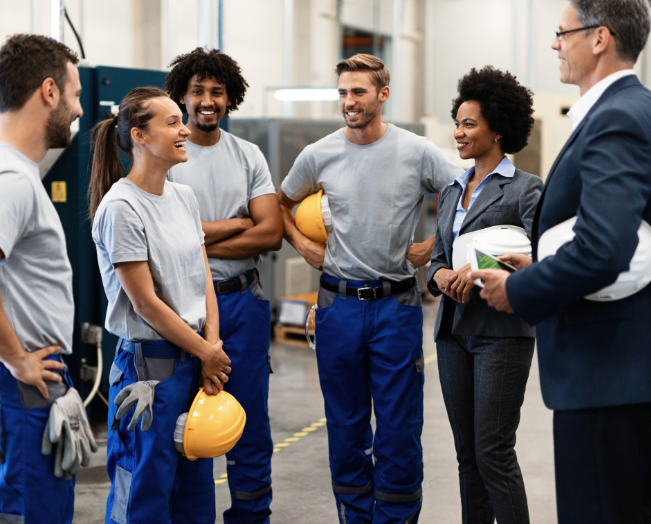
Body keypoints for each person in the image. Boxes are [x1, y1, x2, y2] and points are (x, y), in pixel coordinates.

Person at [472, 0, 651, 523]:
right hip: (620, 365)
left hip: (607, 366)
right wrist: (547, 264)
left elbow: (604, 248)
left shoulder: (617, 119)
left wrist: (522, 289)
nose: (556, 43)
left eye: (563, 32)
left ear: (599, 37)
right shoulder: (640, 107)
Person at [277, 54, 462, 524]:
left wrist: (432, 247)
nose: (349, 102)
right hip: (337, 306)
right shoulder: (319, 154)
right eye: (342, 92)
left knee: (399, 430)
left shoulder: (416, 151)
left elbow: (463, 194)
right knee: (345, 427)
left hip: (395, 306)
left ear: (382, 94)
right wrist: (301, 244)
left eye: (358, 92)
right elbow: (280, 202)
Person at [0, 34, 95, 524]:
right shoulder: (7, 176)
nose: (78, 109)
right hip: (13, 383)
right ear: (48, 91)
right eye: (74, 95)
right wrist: (19, 360)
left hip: (8, 380)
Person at [89, 87, 231, 524]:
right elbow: (146, 303)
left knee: (194, 493)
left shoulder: (183, 197)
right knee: (145, 494)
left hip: (194, 363)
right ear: (140, 136)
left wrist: (211, 345)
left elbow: (203, 276)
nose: (185, 129)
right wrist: (206, 351)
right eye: (172, 122)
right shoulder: (121, 207)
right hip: (149, 370)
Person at [165, 47, 282, 524]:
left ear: (230, 98)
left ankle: (252, 517)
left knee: (249, 423)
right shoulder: (165, 152)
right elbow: (160, 239)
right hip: (180, 312)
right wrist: (236, 225)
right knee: (180, 426)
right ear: (182, 97)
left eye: (217, 91)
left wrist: (194, 238)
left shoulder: (247, 155)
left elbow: (271, 232)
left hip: (241, 307)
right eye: (198, 91)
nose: (207, 100)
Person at [428, 66, 541, 524]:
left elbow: (539, 261)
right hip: (453, 333)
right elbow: (436, 259)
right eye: (456, 123)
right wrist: (443, 278)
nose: (458, 132)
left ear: (497, 128)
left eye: (468, 124)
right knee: (466, 454)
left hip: (502, 333)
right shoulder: (452, 190)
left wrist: (473, 273)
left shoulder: (527, 190)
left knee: (493, 451)